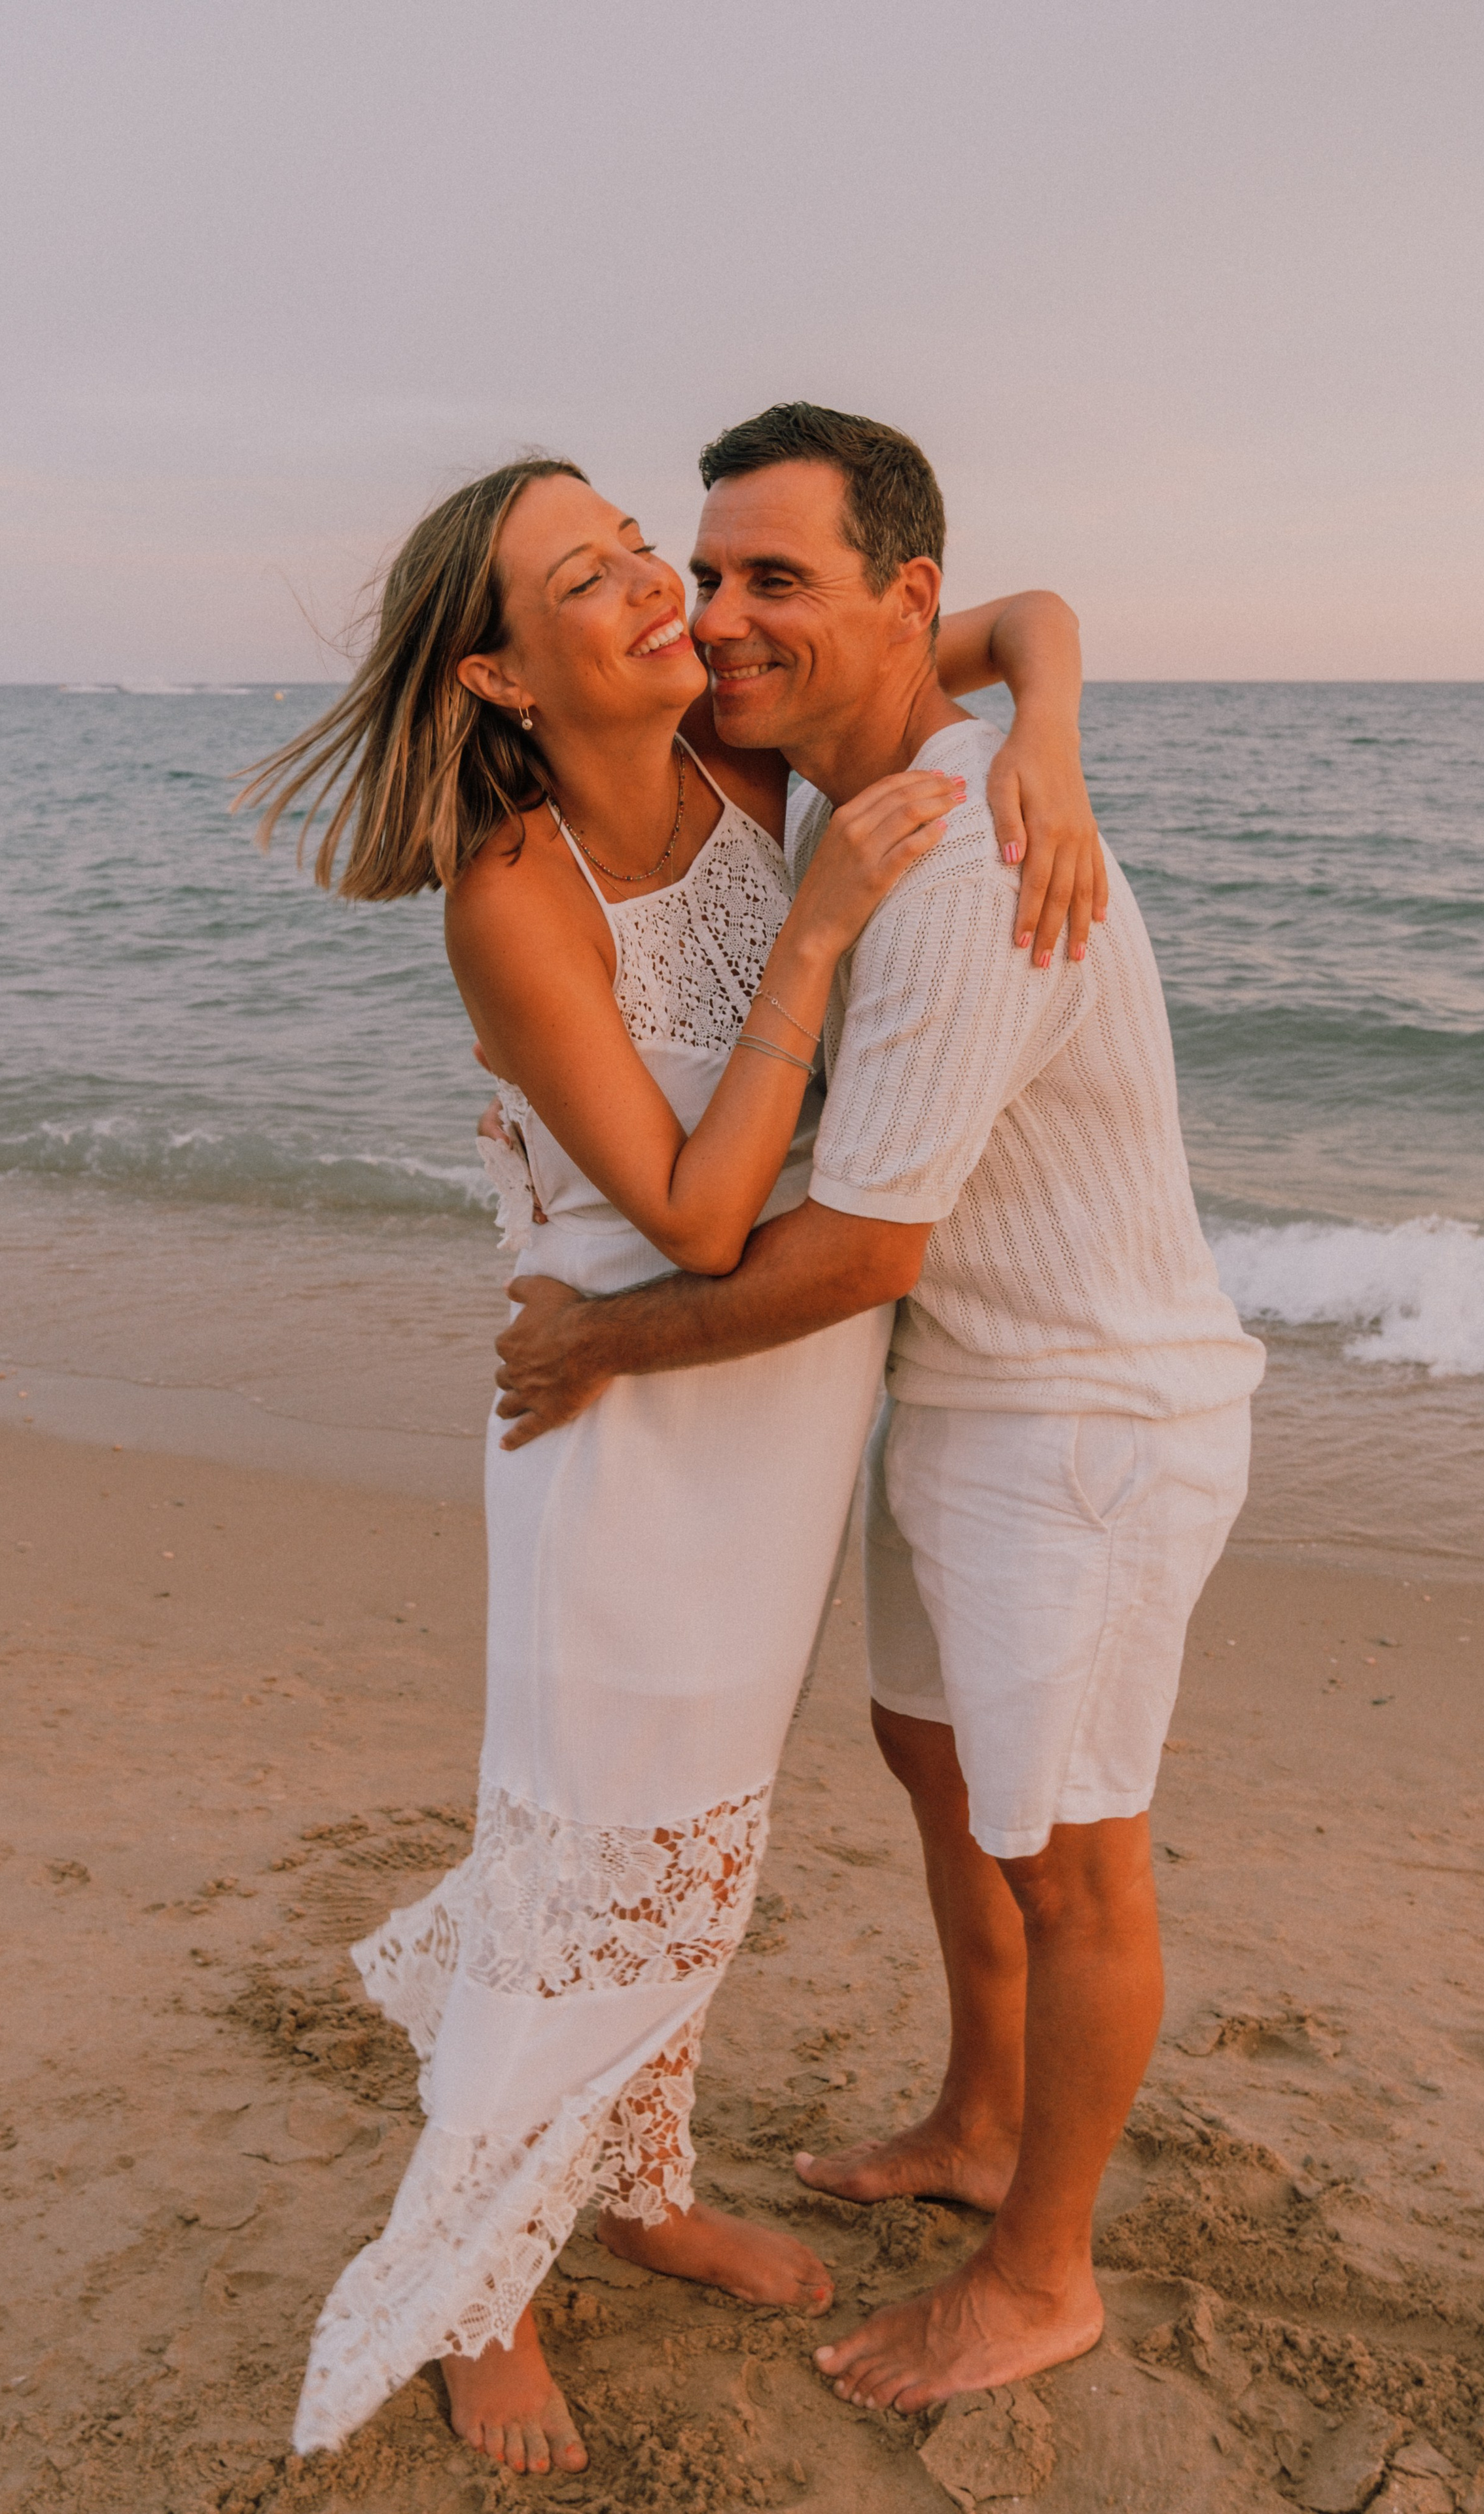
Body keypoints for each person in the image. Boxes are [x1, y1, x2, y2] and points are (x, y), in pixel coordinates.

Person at [238, 450, 1103, 2476]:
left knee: (700, 1846)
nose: (656, 590)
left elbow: (1017, 623)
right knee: (581, 1856)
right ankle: (483, 2291)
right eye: (591, 576)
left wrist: (1041, 742)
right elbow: (703, 1218)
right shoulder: (511, 898)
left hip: (778, 1404)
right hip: (618, 1426)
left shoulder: (739, 739)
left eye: (640, 547)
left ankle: (640, 2179)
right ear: (501, 675)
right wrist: (811, 929)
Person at [491, 403, 1266, 2416]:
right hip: (968, 1406)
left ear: (895, 600)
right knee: (932, 1757)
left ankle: (1042, 2270)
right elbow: (1024, 618)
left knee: (1076, 1851)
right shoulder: (852, 778)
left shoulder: (952, 857)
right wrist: (1054, 706)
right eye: (708, 566)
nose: (721, 616)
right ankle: (983, 2119)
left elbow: (855, 1253)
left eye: (777, 581)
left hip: (1082, 1414)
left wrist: (594, 1344)